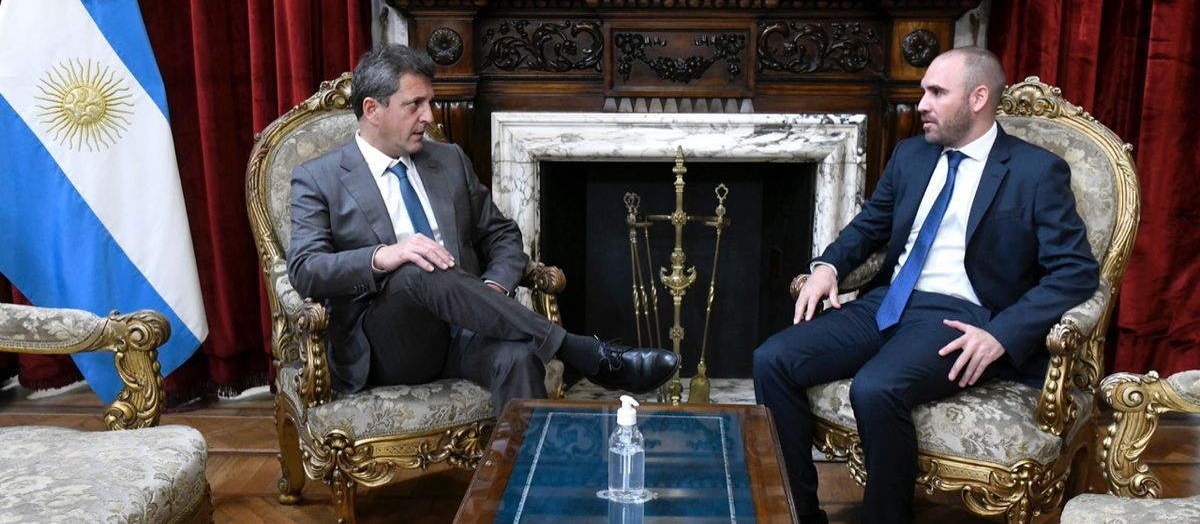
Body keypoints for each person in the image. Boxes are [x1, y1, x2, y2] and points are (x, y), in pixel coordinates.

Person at [753, 47, 1099, 524]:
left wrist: (1002, 334)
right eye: (923, 92)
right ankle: (801, 517)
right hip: (887, 302)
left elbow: (1076, 271)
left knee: (875, 388)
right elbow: (869, 227)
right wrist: (827, 266)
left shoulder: (1036, 172)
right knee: (773, 359)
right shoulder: (911, 155)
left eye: (937, 92)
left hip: (960, 317)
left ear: (978, 98)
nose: (922, 104)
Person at [288, 44, 678, 415]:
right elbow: (305, 269)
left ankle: (525, 463)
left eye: (430, 102)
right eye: (414, 105)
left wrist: (491, 290)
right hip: (389, 347)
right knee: (415, 266)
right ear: (373, 110)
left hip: (466, 331)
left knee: (518, 356)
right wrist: (385, 255)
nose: (429, 117)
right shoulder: (319, 178)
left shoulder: (448, 160)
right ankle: (580, 351)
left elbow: (502, 235)